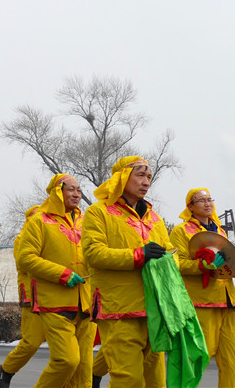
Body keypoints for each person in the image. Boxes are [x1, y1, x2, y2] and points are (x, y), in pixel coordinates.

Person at [82, 156, 172, 388]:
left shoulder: (154, 217)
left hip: (155, 309)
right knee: (128, 379)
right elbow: (93, 253)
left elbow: (171, 253)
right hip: (118, 307)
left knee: (156, 382)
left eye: (149, 177)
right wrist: (138, 255)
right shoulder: (98, 212)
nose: (146, 182)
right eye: (140, 175)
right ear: (122, 177)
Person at [17, 174, 95, 388]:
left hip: (86, 303)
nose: (77, 194)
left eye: (79, 190)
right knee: (67, 361)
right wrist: (62, 274)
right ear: (57, 192)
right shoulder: (39, 221)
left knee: (84, 368)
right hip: (54, 304)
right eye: (71, 189)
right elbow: (26, 258)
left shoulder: (87, 221)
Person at [171, 188, 235, 386]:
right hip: (202, 302)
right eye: (201, 200)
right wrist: (201, 265)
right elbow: (177, 263)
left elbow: (228, 264)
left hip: (228, 301)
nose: (207, 203)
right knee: (199, 356)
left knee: (232, 360)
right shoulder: (181, 231)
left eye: (210, 199)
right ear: (190, 207)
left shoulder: (219, 231)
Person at [0, 205, 45, 388]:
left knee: (66, 350)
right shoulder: (22, 239)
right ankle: (7, 369)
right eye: (35, 216)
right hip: (33, 297)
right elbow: (26, 263)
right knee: (32, 342)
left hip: (58, 296)